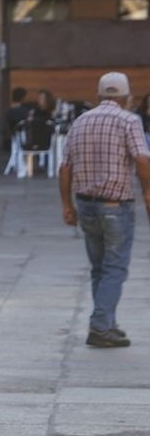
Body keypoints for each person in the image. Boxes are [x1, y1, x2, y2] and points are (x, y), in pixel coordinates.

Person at [58, 72, 150, 348]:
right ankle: (100, 325)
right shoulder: (129, 120)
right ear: (125, 97)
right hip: (116, 206)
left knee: (99, 268)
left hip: (86, 204)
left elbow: (65, 167)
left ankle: (107, 323)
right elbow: (142, 159)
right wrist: (147, 191)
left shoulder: (80, 121)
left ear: (99, 96)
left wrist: (66, 205)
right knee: (115, 268)